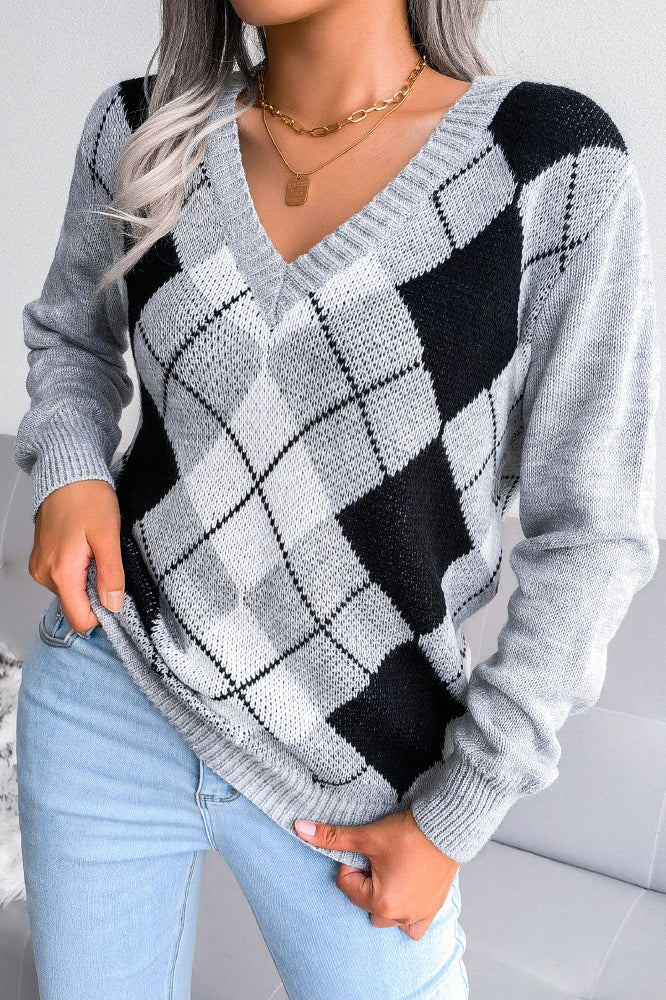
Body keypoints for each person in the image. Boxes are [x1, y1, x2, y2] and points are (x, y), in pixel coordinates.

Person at [13, 1, 660, 998]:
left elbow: (593, 536)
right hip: (109, 696)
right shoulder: (141, 131)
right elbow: (73, 341)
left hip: (364, 784)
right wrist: (72, 468)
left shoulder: (551, 169)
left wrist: (459, 809)